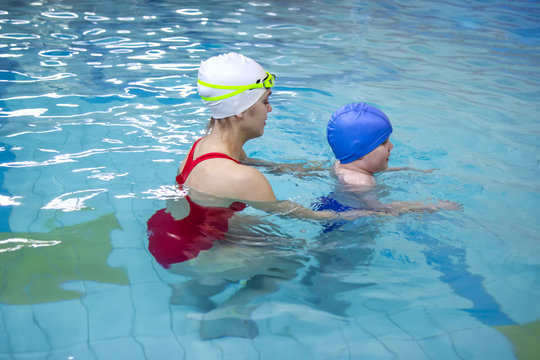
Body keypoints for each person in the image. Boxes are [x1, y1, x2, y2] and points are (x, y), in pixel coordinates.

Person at [324, 102, 461, 214]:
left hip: (332, 204)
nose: (391, 146)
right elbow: (382, 210)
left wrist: (405, 170)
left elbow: (372, 169)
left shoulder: (340, 164)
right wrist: (433, 206)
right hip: (345, 224)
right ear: (360, 150)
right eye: (383, 143)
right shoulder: (361, 183)